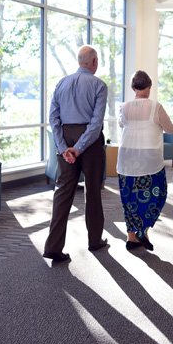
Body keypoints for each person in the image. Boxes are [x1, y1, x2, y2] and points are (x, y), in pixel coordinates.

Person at [43, 45, 109, 262]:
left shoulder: (61, 83)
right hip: (87, 142)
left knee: (62, 192)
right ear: (95, 62)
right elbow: (96, 123)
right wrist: (78, 148)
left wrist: (64, 149)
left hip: (65, 137)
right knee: (92, 190)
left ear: (78, 61)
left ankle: (53, 246)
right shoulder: (99, 85)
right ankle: (94, 240)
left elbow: (53, 119)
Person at [117, 70, 173, 251]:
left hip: (127, 159)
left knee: (129, 200)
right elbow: (171, 129)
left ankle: (132, 238)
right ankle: (143, 231)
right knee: (156, 195)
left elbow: (121, 124)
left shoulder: (123, 107)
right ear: (149, 87)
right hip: (149, 160)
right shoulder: (156, 107)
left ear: (133, 88)